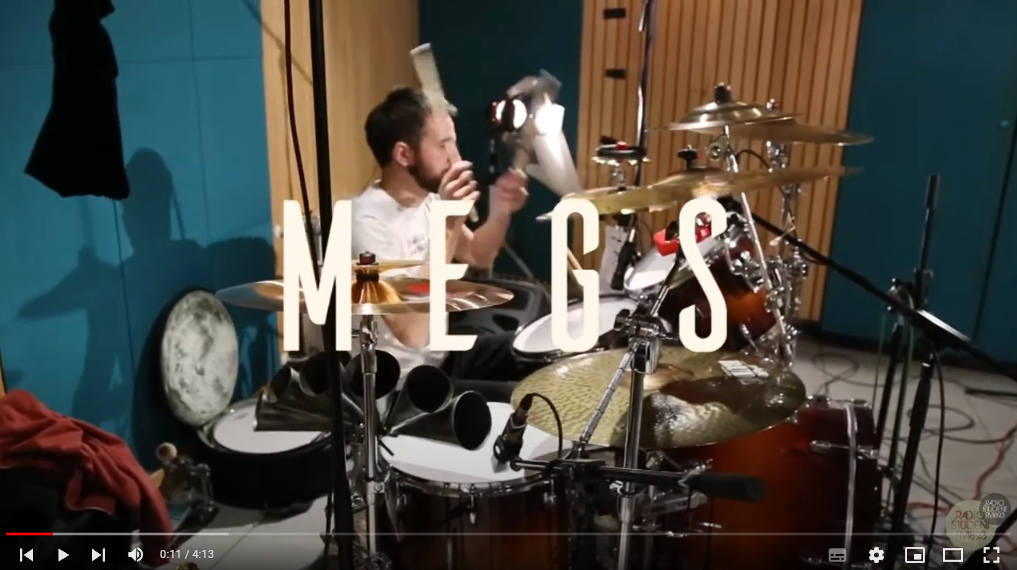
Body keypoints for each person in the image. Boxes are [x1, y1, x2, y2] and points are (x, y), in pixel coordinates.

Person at [350, 86, 533, 404]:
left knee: (531, 349)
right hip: (399, 388)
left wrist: (502, 210)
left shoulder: (428, 200)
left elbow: (478, 254)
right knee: (519, 400)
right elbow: (412, 332)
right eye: (443, 145)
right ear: (404, 155)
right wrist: (447, 224)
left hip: (439, 358)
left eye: (454, 143)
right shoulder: (365, 223)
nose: (456, 158)